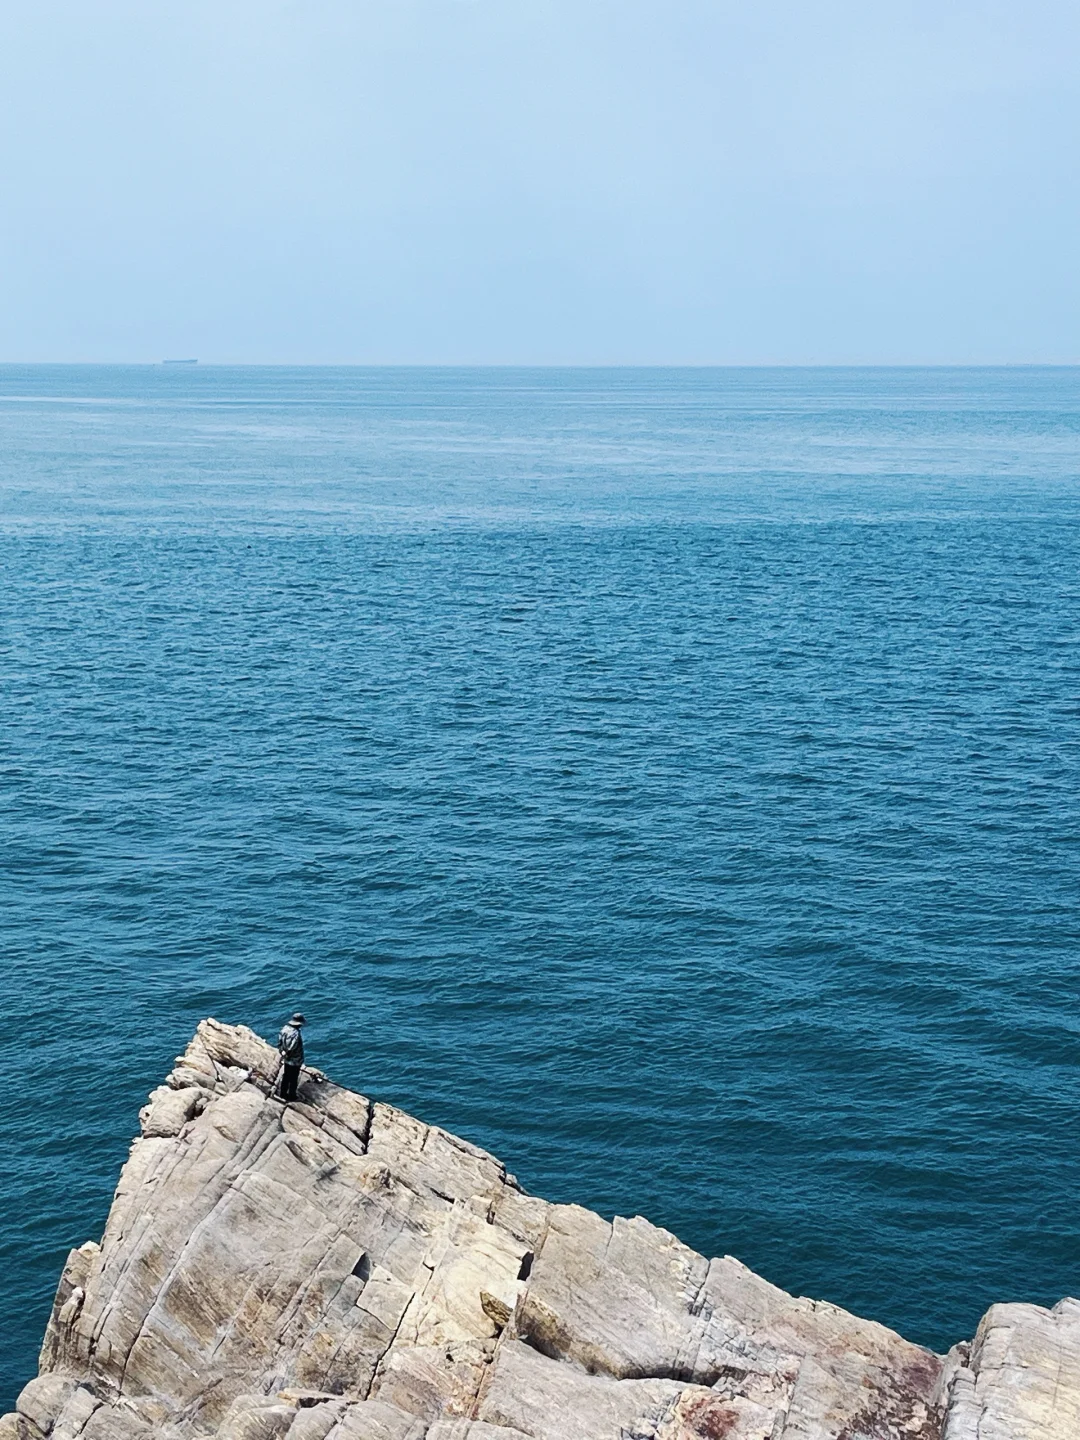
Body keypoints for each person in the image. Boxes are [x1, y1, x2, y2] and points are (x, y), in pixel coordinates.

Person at [276, 1012, 306, 1101]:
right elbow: (292, 1047)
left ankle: (282, 1094)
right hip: (295, 1060)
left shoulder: (284, 1029)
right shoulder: (296, 1033)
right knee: (293, 1078)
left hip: (286, 1058)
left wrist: (282, 1053)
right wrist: (289, 1054)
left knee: (286, 1076)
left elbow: (280, 1043)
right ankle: (292, 1096)